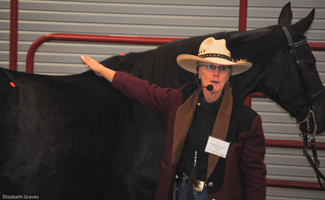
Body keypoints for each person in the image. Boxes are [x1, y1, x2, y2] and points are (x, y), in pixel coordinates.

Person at [81, 37, 266, 200]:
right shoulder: (181, 100)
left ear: (229, 74)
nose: (216, 74)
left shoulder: (246, 121)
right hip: (182, 191)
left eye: (222, 68)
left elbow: (254, 179)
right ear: (197, 71)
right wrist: (106, 72)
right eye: (209, 67)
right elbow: (145, 90)